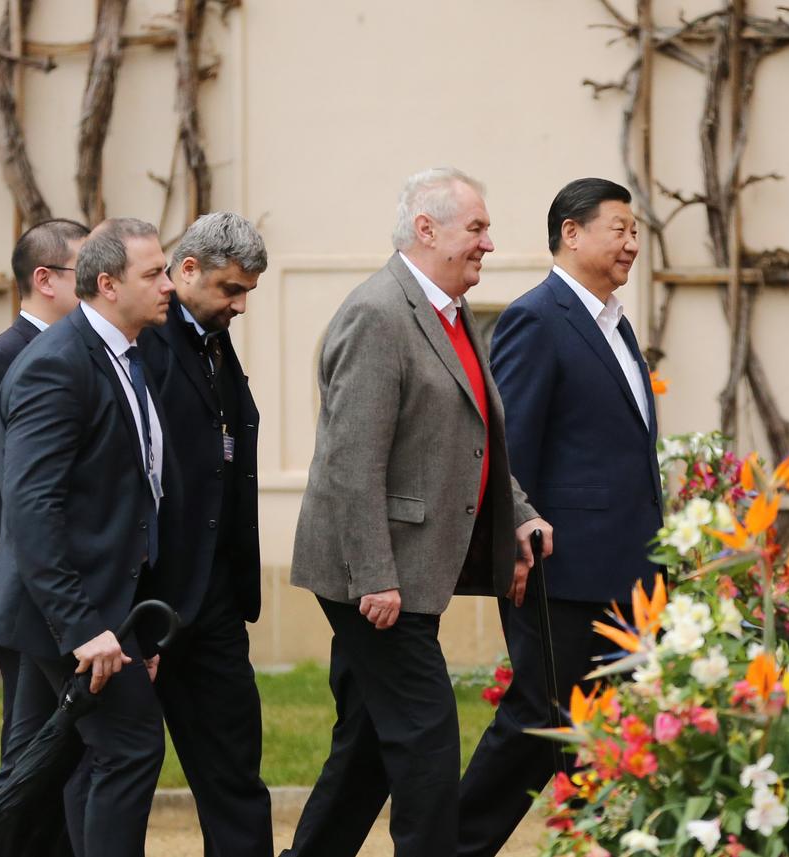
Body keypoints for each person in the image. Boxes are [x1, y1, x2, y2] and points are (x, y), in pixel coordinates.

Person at [282, 168, 551, 857]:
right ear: (426, 230)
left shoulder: (447, 313)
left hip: (406, 571)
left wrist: (516, 510)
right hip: (376, 578)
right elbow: (350, 460)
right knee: (428, 744)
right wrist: (376, 574)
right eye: (478, 228)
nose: (489, 244)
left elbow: (470, 438)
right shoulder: (379, 313)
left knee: (371, 744)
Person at [456, 177, 665, 857]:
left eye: (636, 230)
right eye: (619, 227)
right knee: (535, 724)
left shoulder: (616, 323)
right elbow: (510, 447)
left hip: (626, 574)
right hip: (559, 570)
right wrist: (513, 540)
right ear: (571, 233)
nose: (632, 242)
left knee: (607, 732)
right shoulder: (538, 318)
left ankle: (599, 843)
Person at [0, 217, 175, 857]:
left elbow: (131, 491)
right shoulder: (56, 364)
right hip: (65, 614)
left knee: (53, 767)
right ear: (107, 284)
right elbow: (31, 509)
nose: (169, 285)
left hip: (101, 611)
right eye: (153, 274)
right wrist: (84, 629)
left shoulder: (126, 353)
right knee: (131, 744)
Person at [136, 211, 272, 856]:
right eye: (230, 289)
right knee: (115, 770)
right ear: (186, 270)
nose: (240, 304)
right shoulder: (144, 342)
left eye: (246, 291)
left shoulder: (214, 337)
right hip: (148, 598)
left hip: (214, 597)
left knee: (235, 770)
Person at [0, 218, 89, 855]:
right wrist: (10, 598)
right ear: (45, 280)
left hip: (54, 592)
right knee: (32, 754)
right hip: (17, 594)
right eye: (84, 271)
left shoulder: (79, 353)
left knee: (56, 750)